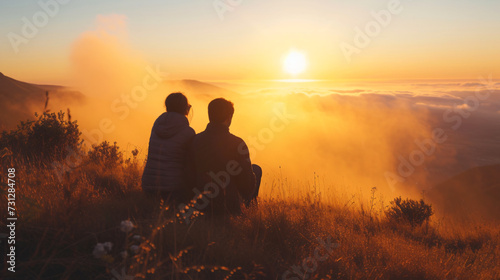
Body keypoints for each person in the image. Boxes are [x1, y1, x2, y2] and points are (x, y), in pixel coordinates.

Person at [187, 98, 262, 217]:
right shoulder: (237, 144)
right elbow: (247, 186)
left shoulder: (194, 141)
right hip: (229, 205)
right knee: (256, 170)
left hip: (198, 202)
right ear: (229, 118)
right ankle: (249, 212)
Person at [142, 92, 195, 202]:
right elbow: (191, 163)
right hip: (173, 189)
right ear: (186, 109)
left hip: (148, 185)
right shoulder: (188, 132)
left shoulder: (157, 126)